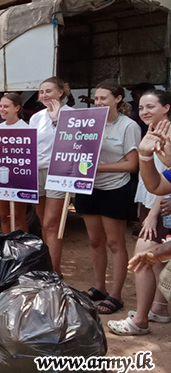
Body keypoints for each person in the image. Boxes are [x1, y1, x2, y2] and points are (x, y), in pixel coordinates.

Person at [75, 80, 140, 315]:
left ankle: (116, 295)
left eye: (104, 98)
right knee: (95, 241)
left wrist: (98, 168)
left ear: (118, 99)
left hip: (115, 189)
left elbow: (133, 164)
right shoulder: (89, 123)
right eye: (97, 99)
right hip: (87, 187)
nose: (99, 102)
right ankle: (99, 287)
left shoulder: (128, 126)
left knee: (115, 243)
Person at [108, 90, 171, 335]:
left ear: (166, 108)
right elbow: (159, 183)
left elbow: (162, 187)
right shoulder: (152, 133)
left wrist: (154, 214)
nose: (144, 111)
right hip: (153, 203)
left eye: (151, 106)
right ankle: (156, 310)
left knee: (144, 259)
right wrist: (145, 155)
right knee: (151, 259)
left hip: (160, 208)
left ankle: (142, 319)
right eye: (141, 107)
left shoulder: (165, 133)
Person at [29, 77, 73, 274]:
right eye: (42, 92)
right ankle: (48, 266)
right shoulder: (36, 117)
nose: (45, 95)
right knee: (43, 223)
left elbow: (72, 143)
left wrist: (56, 120)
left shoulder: (72, 115)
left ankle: (54, 272)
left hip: (60, 172)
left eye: (49, 91)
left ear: (61, 92)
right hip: (37, 170)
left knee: (51, 223)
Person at [0, 93, 30, 233]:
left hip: (19, 178)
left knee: (18, 217)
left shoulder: (26, 129)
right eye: (0, 106)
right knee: (4, 216)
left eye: (6, 106)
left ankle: (23, 250)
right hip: (1, 178)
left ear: (17, 108)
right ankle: (6, 248)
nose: (2, 109)